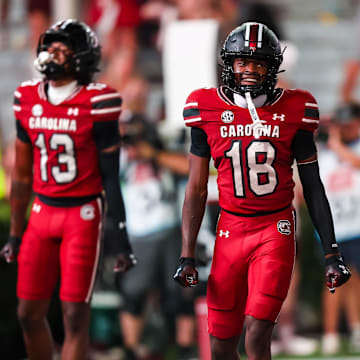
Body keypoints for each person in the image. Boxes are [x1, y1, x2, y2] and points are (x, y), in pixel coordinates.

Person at [173, 22, 351, 360]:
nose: (250, 70)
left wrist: (331, 253)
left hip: (274, 228)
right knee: (221, 343)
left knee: (256, 332)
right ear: (229, 64)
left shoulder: (297, 108)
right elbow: (196, 187)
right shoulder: (205, 107)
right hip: (229, 229)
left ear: (272, 66)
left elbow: (312, 185)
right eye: (242, 62)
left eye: (258, 63)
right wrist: (187, 255)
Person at [0, 19, 136, 360]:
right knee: (27, 313)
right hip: (41, 213)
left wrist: (118, 233)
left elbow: (110, 175)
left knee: (75, 316)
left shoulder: (99, 101)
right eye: (50, 46)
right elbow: (20, 174)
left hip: (82, 214)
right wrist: (16, 233)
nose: (52, 54)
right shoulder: (26, 96)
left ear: (83, 57)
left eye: (64, 49)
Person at [317, 103, 360, 355]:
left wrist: (338, 148)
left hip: (356, 225)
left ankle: (355, 328)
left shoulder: (341, 150)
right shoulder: (326, 155)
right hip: (334, 228)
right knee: (334, 281)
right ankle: (330, 334)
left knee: (354, 280)